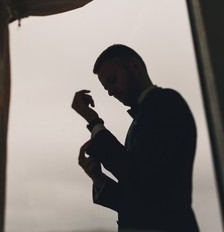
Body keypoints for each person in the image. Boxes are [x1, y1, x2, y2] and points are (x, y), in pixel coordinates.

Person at [72, 44, 199, 232]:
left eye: (112, 80)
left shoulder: (167, 103)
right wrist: (99, 179)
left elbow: (139, 178)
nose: (110, 91)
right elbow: (141, 197)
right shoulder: (141, 120)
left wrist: (93, 121)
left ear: (135, 66)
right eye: (106, 87)